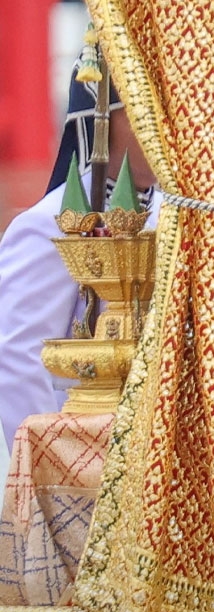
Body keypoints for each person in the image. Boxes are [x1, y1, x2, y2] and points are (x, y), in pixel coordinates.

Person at [0, 61, 160, 450]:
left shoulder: (180, 215)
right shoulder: (49, 226)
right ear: (102, 120)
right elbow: (21, 359)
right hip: (85, 448)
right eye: (150, 111)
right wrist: (57, 466)